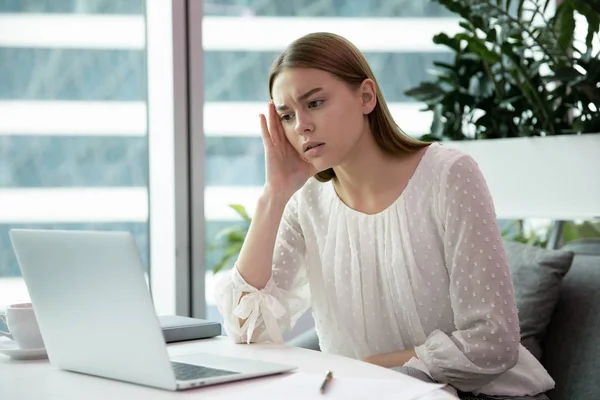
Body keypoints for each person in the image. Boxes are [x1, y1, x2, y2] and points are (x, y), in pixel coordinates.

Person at [213, 32, 554, 399]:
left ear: (366, 96)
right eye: (286, 115)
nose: (301, 126)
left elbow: (493, 340)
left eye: (315, 103)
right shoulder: (305, 205)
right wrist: (274, 195)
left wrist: (378, 367)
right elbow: (248, 330)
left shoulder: (449, 175)